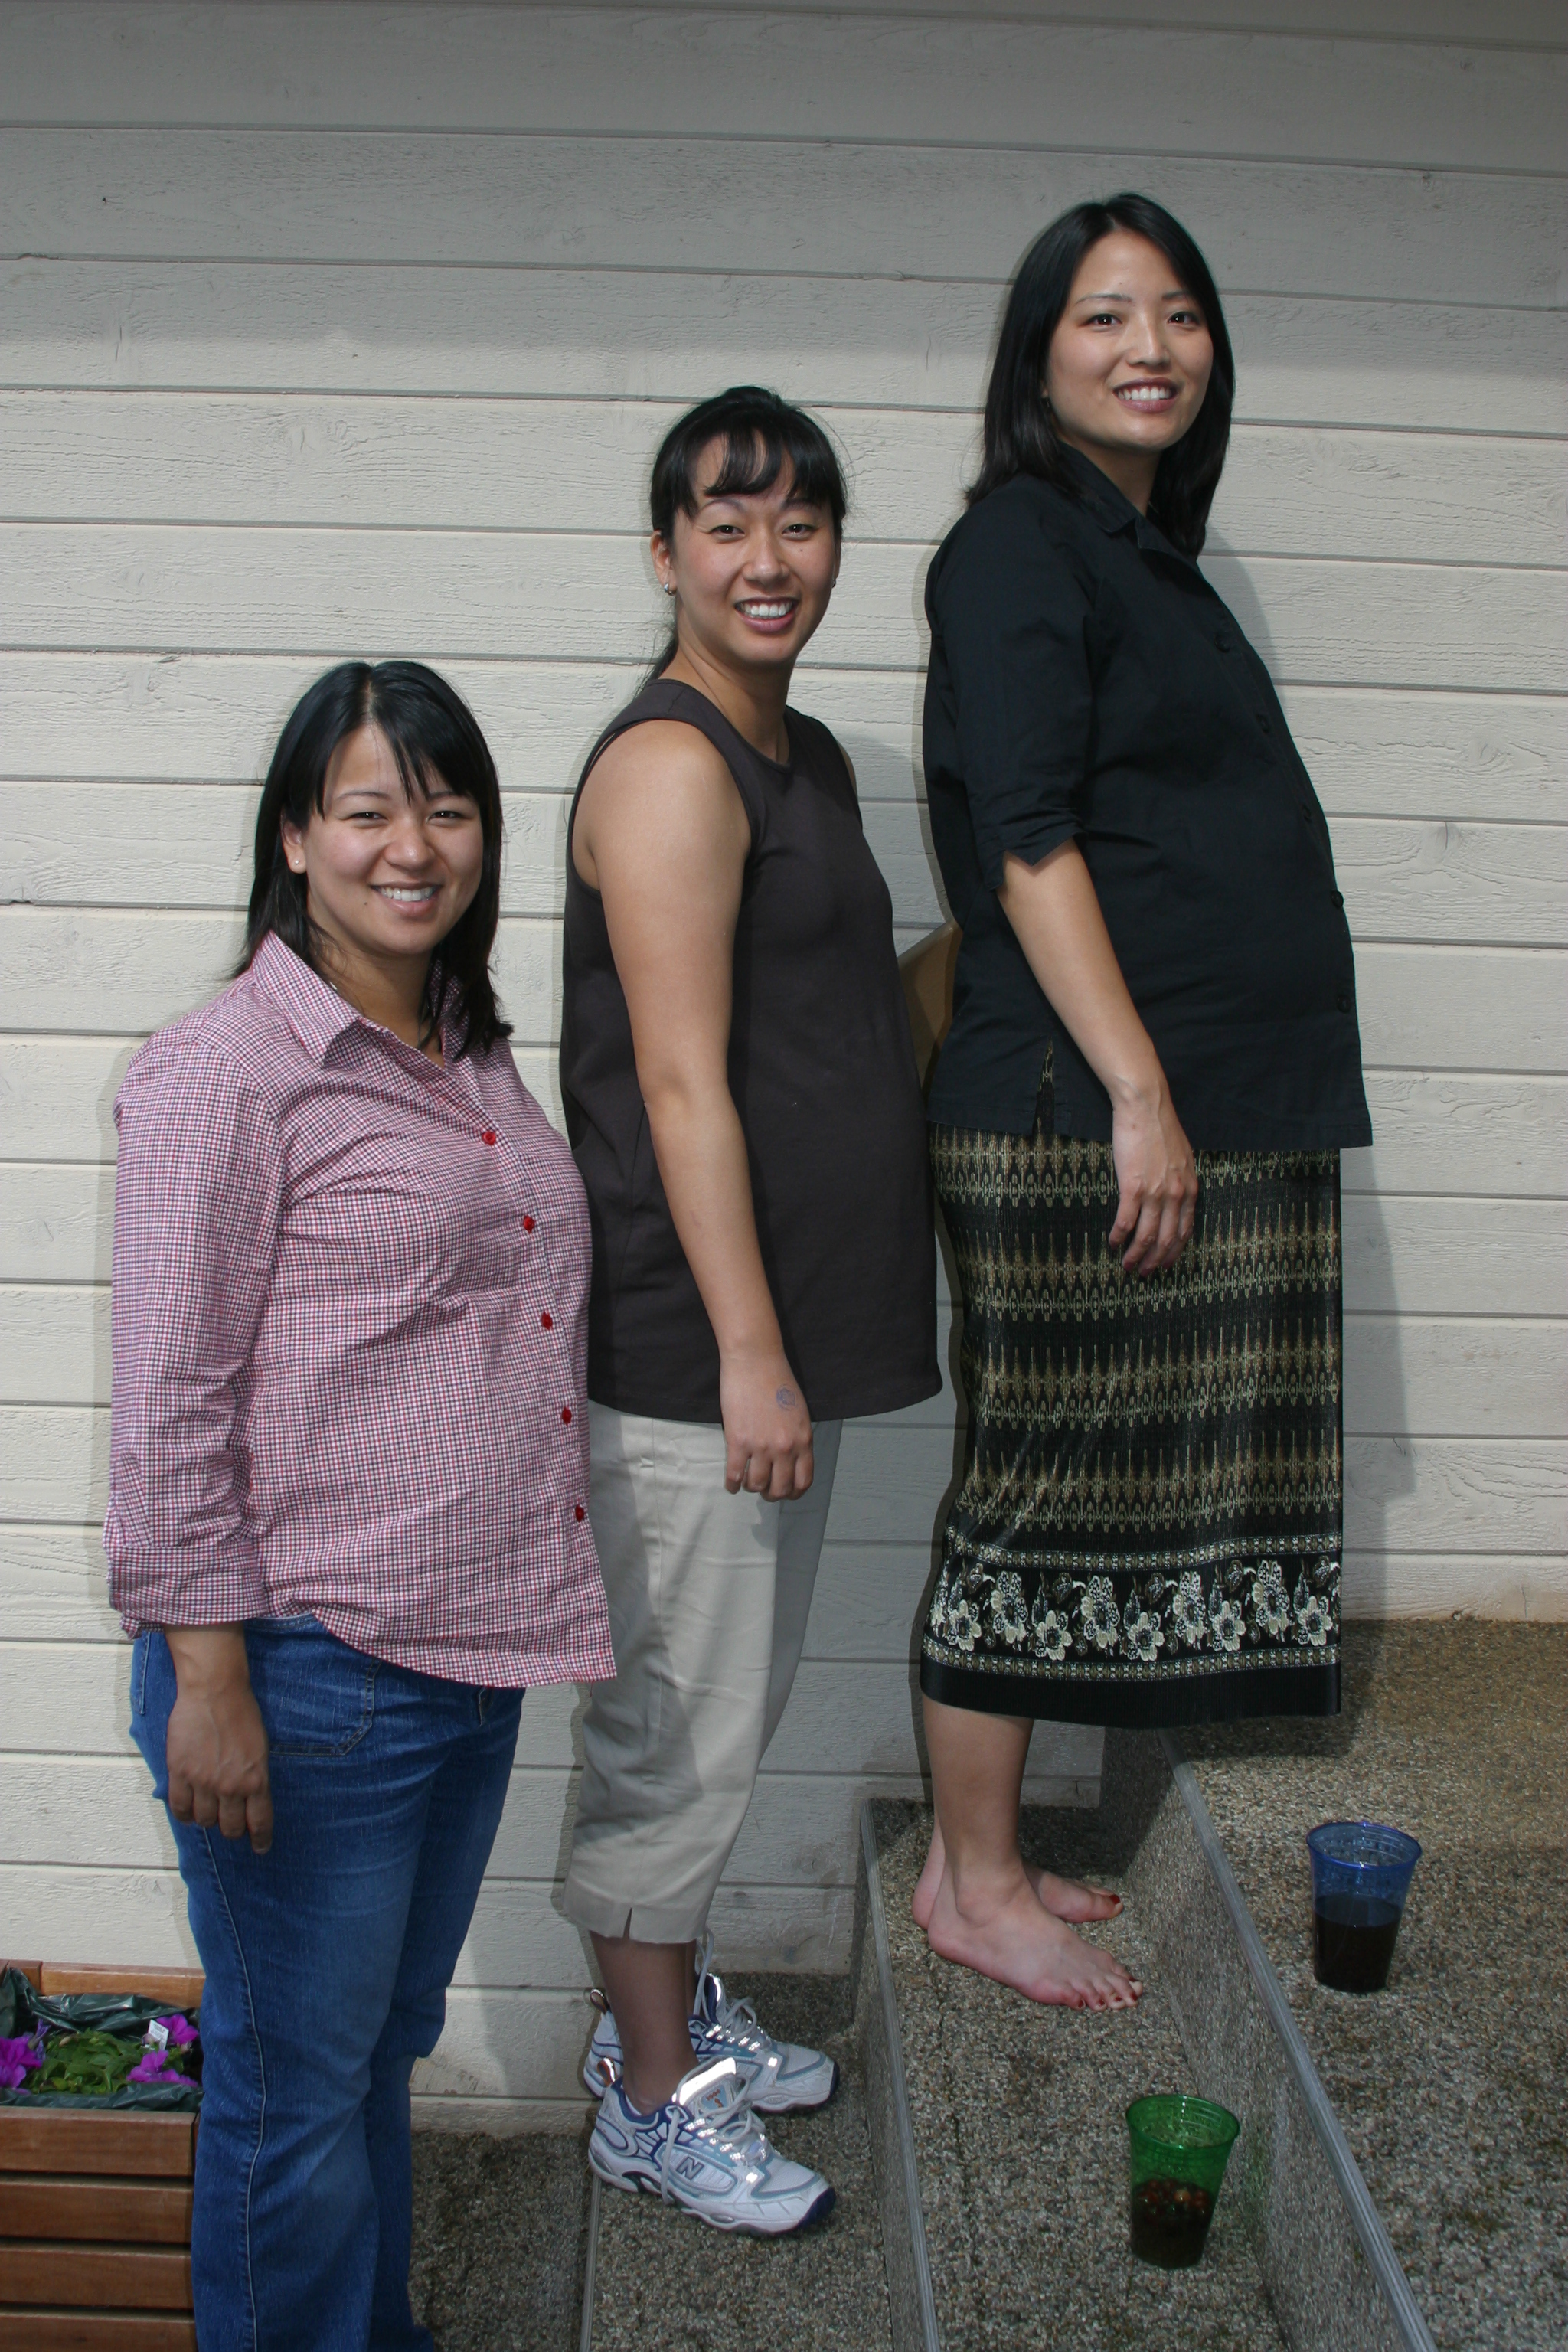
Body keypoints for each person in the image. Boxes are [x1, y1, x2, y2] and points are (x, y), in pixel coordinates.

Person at [106, 662, 614, 2350]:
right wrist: (212, 1677)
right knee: (292, 2095)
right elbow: (169, 1401)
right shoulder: (230, 1070)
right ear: (297, 838)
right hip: (306, 1672)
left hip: (462, 1657)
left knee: (368, 2059)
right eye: (371, 806)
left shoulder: (465, 1048)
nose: (417, 842)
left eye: (448, 805)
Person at [914, 194, 1371, 2010]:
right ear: (1039, 357)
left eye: (1178, 313)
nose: (1150, 347)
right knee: (1032, 1493)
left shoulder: (1132, 551)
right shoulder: (1022, 542)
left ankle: (994, 1853)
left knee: (1091, 1490)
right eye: (1104, 317)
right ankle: (969, 1880)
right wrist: (1136, 1092)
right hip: (1068, 1106)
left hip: (1154, 1099)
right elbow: (1026, 842)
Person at [559, 386, 939, 2232]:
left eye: (801, 523)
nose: (766, 558)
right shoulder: (669, 770)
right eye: (727, 523)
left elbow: (844, 1032)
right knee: (674, 1737)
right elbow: (685, 1084)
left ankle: (672, 2014)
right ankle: (647, 2098)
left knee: (728, 1712)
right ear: (665, 553)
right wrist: (749, 1353)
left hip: (779, 1344)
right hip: (700, 1355)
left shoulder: (809, 765)